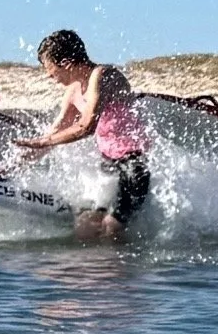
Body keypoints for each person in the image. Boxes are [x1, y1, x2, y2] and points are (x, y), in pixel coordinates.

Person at [17, 30, 150, 238]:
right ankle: (96, 268)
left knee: (110, 229)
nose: (49, 75)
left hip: (134, 165)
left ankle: (122, 268)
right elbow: (54, 135)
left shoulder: (104, 75)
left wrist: (44, 141)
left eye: (49, 67)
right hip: (109, 166)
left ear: (67, 63)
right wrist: (14, 165)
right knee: (84, 227)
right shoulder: (72, 92)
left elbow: (86, 127)